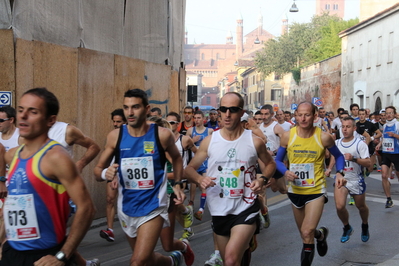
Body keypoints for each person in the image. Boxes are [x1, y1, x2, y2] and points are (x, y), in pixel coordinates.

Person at [1, 88, 95, 266]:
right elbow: (14, 204)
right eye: (21, 110)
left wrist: (62, 255)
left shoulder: (56, 157)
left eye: (33, 112)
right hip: (12, 252)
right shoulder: (12, 156)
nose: (24, 116)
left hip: (44, 256)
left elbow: (87, 208)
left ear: (50, 120)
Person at [94, 88, 186, 266]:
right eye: (126, 107)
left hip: (154, 206)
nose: (130, 112)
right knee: (147, 259)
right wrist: (107, 173)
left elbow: (177, 158)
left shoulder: (162, 135)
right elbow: (97, 170)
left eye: (135, 107)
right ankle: (172, 261)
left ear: (146, 108)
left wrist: (177, 184)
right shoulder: (115, 137)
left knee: (137, 261)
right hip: (127, 208)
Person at [185, 92, 276, 266]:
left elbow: (270, 164)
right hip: (219, 209)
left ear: (241, 112)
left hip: (246, 207)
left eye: (233, 110)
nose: (227, 114)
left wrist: (262, 179)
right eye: (223, 109)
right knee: (233, 258)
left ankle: (246, 242)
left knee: (230, 260)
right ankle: (246, 247)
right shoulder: (210, 142)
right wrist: (199, 179)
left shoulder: (255, 141)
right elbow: (189, 169)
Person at [275, 101, 346, 266]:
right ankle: (320, 236)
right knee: (305, 233)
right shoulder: (288, 136)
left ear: (314, 116)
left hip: (316, 190)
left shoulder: (323, 137)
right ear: (296, 116)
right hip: (295, 191)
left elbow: (339, 156)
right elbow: (278, 161)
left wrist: (340, 173)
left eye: (307, 114)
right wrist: (285, 172)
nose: (303, 118)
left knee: (307, 231)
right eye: (299, 115)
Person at [327, 117, 371, 243]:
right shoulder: (337, 143)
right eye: (343, 126)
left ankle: (365, 225)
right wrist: (330, 168)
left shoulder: (360, 144)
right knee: (340, 206)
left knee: (361, 207)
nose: (345, 129)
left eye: (348, 127)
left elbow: (368, 162)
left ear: (354, 128)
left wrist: (354, 159)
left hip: (355, 178)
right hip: (341, 178)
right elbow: (334, 158)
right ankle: (347, 227)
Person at [166, 111, 197, 241]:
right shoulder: (162, 138)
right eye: (167, 122)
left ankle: (185, 212)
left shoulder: (184, 140)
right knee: (174, 207)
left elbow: (198, 153)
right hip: (167, 176)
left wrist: (191, 169)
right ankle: (187, 227)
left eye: (172, 123)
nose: (169, 125)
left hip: (180, 177)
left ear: (178, 125)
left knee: (176, 203)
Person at [99, 109, 127, 242]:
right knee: (110, 199)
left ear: (126, 122)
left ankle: (133, 226)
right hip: (113, 170)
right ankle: (110, 230)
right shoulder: (112, 136)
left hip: (128, 172)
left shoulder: (130, 136)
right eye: (114, 122)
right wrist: (107, 170)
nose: (116, 124)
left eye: (119, 122)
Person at [186, 110, 214, 220]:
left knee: (204, 184)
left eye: (198, 118)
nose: (196, 120)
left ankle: (201, 209)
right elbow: (184, 145)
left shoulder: (209, 131)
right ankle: (191, 203)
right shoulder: (190, 131)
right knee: (193, 184)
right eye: (195, 118)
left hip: (205, 161)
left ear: (203, 119)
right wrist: (193, 140)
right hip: (194, 162)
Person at [375, 106, 399, 208]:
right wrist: (380, 144)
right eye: (387, 113)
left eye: (390, 113)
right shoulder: (385, 126)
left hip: (397, 153)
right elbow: (384, 137)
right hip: (386, 153)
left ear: (394, 114)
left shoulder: (397, 124)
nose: (388, 115)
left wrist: (394, 135)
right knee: (384, 176)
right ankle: (389, 199)